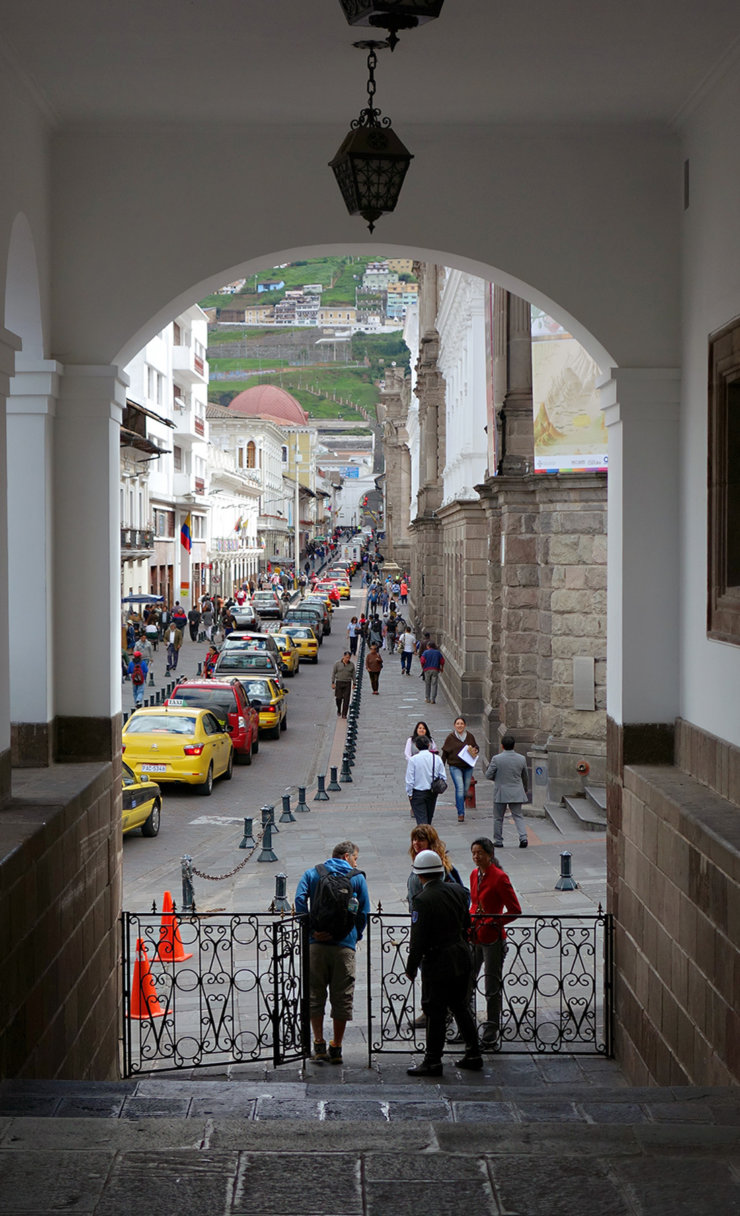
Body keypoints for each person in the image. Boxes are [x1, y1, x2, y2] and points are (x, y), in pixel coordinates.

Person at [405, 850, 482, 1076]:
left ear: (420, 876)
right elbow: (467, 922)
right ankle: (473, 1053)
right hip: (461, 954)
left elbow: (418, 938)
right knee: (460, 1005)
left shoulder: (422, 900)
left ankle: (433, 1061)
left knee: (435, 1009)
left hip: (438, 960)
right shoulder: (458, 891)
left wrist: (411, 967)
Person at [294, 840, 370, 1065]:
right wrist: (354, 936)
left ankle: (318, 1043)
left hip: (316, 945)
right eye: (356, 858)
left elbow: (299, 900)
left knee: (315, 993)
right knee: (342, 996)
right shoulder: (357, 877)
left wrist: (311, 930)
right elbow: (363, 911)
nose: (356, 862)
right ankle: (336, 1045)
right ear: (347, 856)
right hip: (344, 946)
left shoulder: (312, 873)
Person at [469, 837, 521, 1049]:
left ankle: (492, 1028)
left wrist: (492, 921)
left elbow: (515, 910)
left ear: (490, 855)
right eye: (473, 853)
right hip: (474, 935)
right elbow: (474, 902)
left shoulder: (500, 878)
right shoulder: (474, 874)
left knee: (491, 984)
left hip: (492, 938)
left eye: (480, 852)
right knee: (467, 980)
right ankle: (468, 1024)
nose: (476, 856)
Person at [485, 734, 530, 847]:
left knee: (498, 818)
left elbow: (488, 774)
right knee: (518, 815)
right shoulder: (521, 758)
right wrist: (525, 788)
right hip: (516, 790)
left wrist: (497, 779)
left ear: (502, 746)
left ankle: (498, 840)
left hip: (501, 791)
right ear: (514, 745)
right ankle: (523, 837)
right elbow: (525, 776)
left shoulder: (497, 759)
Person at [407, 824, 465, 909]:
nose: (416, 843)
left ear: (430, 842)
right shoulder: (419, 863)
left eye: (421, 840)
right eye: (414, 839)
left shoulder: (439, 868)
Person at [441, 716, 479, 823]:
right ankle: (461, 813)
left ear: (465, 725)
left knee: (465, 790)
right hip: (455, 766)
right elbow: (445, 753)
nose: (460, 725)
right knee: (460, 788)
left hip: (468, 766)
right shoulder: (450, 737)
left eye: (461, 723)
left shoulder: (470, 736)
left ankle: (459, 803)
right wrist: (441, 767)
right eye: (457, 724)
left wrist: (476, 749)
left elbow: (476, 747)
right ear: (454, 725)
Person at [405, 736, 444, 826]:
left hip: (417, 792)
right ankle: (427, 837)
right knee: (429, 818)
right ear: (429, 744)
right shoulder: (436, 758)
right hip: (432, 792)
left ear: (417, 747)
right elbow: (443, 776)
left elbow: (409, 779)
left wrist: (409, 794)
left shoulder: (413, 760)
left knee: (421, 820)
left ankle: (424, 838)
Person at [331, 651, 356, 718]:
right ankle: (339, 709)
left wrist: (354, 683)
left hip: (347, 682)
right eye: (347, 657)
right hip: (339, 682)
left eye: (349, 658)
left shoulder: (351, 665)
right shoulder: (337, 664)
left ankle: (344, 714)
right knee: (338, 698)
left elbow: (353, 674)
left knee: (346, 699)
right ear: (344, 656)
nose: (348, 659)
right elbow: (333, 673)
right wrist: (333, 682)